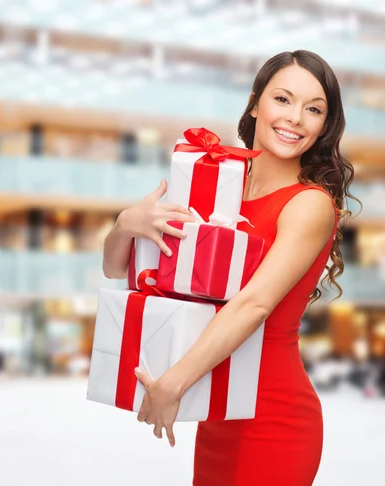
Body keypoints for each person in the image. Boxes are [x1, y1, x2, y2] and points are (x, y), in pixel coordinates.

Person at [102, 50, 356, 485]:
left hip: (274, 416)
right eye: (283, 99)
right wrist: (127, 225)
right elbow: (115, 268)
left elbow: (253, 305)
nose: (295, 118)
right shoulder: (219, 185)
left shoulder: (310, 204)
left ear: (324, 126)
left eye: (314, 109)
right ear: (255, 103)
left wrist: (174, 382)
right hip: (219, 406)